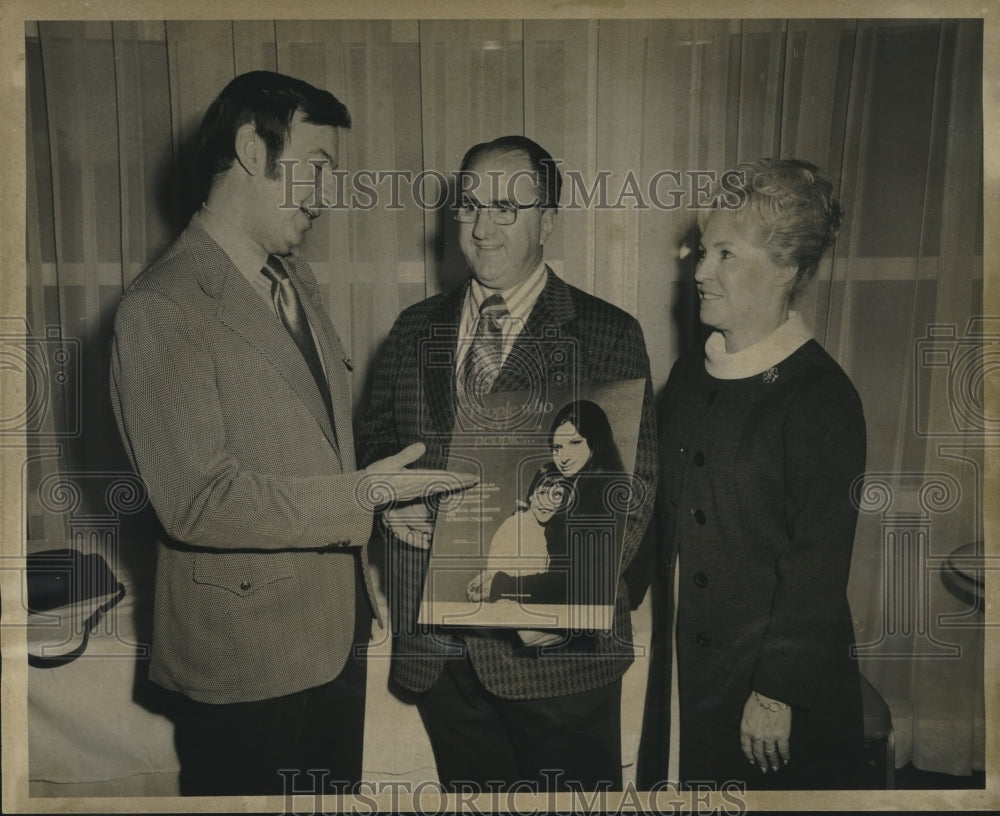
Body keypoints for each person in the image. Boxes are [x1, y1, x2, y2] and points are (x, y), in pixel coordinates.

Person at [108, 70, 472, 796]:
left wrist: (381, 502)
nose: (326, 194)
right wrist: (363, 496)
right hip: (247, 663)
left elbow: (310, 444)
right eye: (315, 168)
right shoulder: (162, 307)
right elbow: (200, 501)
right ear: (251, 149)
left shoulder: (292, 279)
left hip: (333, 638)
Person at [358, 135, 657, 792]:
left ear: (547, 220)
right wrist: (389, 499)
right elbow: (375, 449)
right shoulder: (413, 330)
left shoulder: (606, 334)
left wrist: (557, 605)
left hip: (553, 655)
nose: (481, 227)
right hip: (438, 652)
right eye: (469, 207)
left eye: (506, 208)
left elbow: (632, 492)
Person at [636, 158, 867, 790]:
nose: (701, 272)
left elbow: (818, 564)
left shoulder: (822, 397)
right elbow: (654, 509)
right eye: (702, 252)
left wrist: (776, 694)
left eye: (726, 255)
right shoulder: (689, 374)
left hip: (767, 693)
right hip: (687, 667)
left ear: (786, 268)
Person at [480, 401, 628, 612]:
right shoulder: (577, 489)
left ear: (596, 443)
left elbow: (578, 583)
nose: (564, 457)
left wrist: (504, 585)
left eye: (575, 442)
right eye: (558, 447)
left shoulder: (603, 496)